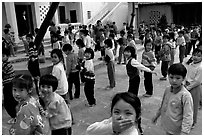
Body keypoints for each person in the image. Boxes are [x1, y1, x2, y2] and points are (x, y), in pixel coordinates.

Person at [152, 63, 193, 135]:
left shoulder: (185, 96)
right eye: (171, 77)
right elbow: (163, 104)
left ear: (183, 78)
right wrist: (157, 115)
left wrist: (184, 132)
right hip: (168, 125)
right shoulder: (167, 90)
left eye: (178, 78)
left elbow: (188, 116)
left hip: (177, 130)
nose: (174, 81)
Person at [185, 48, 202, 128]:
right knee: (187, 104)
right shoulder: (191, 64)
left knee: (193, 105)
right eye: (194, 55)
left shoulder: (200, 68)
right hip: (187, 86)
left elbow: (197, 81)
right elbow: (188, 75)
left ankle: (193, 122)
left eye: (198, 56)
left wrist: (189, 87)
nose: (196, 57)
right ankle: (187, 119)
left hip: (194, 88)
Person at [2, 46, 18, 124]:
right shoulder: (6, 64)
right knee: (12, 101)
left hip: (8, 85)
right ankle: (15, 115)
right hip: (10, 84)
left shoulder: (6, 65)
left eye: (3, 56)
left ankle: (14, 116)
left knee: (8, 102)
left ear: (7, 56)